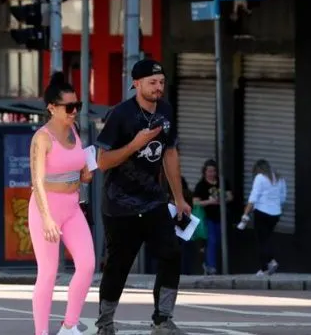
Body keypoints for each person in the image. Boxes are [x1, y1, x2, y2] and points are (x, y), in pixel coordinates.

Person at [95, 58, 190, 335]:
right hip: (119, 204)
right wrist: (135, 144)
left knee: (171, 253)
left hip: (153, 201)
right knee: (118, 265)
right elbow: (102, 162)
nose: (158, 88)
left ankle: (162, 320)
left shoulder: (167, 111)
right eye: (152, 83)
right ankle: (105, 323)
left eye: (161, 82)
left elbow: (170, 153)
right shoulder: (120, 115)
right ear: (136, 84)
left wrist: (179, 197)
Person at [28, 72, 95, 335]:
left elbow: (77, 168)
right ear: (52, 108)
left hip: (72, 205)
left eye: (77, 105)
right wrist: (46, 218)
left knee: (88, 264)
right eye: (69, 107)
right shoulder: (42, 138)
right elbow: (38, 181)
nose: (74, 111)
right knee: (48, 272)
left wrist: (85, 175)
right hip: (47, 207)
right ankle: (41, 333)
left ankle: (69, 325)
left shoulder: (74, 131)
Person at [237, 159, 287, 276]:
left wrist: (245, 214)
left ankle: (265, 267)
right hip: (275, 213)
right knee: (267, 238)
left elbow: (253, 198)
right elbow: (283, 197)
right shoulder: (280, 178)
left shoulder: (260, 177)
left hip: (262, 212)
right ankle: (270, 262)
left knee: (261, 241)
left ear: (258, 169)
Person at [193, 159, 233, 275]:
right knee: (212, 241)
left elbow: (230, 196)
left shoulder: (222, 182)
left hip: (221, 217)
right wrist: (210, 202)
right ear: (204, 172)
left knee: (221, 242)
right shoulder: (201, 185)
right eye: (209, 171)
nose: (212, 174)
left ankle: (215, 265)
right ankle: (211, 266)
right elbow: (196, 202)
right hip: (207, 217)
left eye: (214, 171)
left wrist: (222, 199)